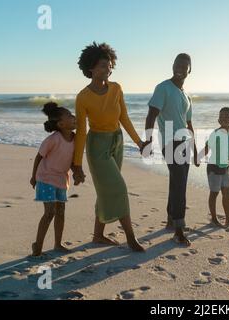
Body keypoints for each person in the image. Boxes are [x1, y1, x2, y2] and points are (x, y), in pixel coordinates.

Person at [72, 42, 145, 252]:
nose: (108, 69)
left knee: (106, 191)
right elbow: (82, 132)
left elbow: (124, 118)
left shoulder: (116, 88)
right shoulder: (83, 97)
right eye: (103, 65)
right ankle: (131, 237)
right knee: (118, 188)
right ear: (91, 68)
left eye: (110, 65)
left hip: (117, 141)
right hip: (97, 146)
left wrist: (139, 142)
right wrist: (77, 164)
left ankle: (98, 235)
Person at [143, 53, 198, 246]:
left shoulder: (186, 95)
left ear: (189, 69)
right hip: (170, 142)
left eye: (184, 65)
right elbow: (151, 116)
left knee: (177, 182)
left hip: (184, 143)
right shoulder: (163, 88)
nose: (180, 68)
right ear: (172, 65)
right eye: (177, 64)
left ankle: (170, 221)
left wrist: (195, 147)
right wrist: (147, 141)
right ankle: (179, 229)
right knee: (180, 184)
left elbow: (188, 123)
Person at [30, 102, 76, 256]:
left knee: (61, 212)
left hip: (62, 180)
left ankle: (58, 244)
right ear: (61, 124)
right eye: (70, 116)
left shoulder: (76, 139)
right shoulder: (53, 139)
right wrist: (33, 177)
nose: (74, 117)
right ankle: (38, 245)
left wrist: (77, 173)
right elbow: (39, 156)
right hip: (45, 178)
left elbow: (73, 160)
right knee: (49, 213)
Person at [197, 107, 229, 228]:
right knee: (214, 193)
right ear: (218, 120)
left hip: (225, 167)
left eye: (227, 116)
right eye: (222, 116)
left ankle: (228, 219)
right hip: (214, 167)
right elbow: (206, 148)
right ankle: (214, 219)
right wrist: (197, 158)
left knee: (227, 192)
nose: (224, 118)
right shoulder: (215, 134)